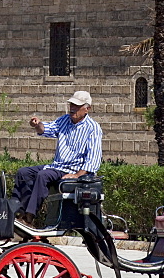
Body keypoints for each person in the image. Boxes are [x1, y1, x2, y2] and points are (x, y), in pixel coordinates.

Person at [12, 91, 103, 225]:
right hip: (57, 166)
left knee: (43, 175)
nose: (72, 108)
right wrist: (37, 125)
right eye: (71, 104)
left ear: (87, 109)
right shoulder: (64, 120)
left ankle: (29, 217)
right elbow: (46, 129)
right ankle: (18, 211)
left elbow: (93, 160)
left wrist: (77, 175)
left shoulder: (93, 128)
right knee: (23, 172)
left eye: (77, 106)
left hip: (72, 169)